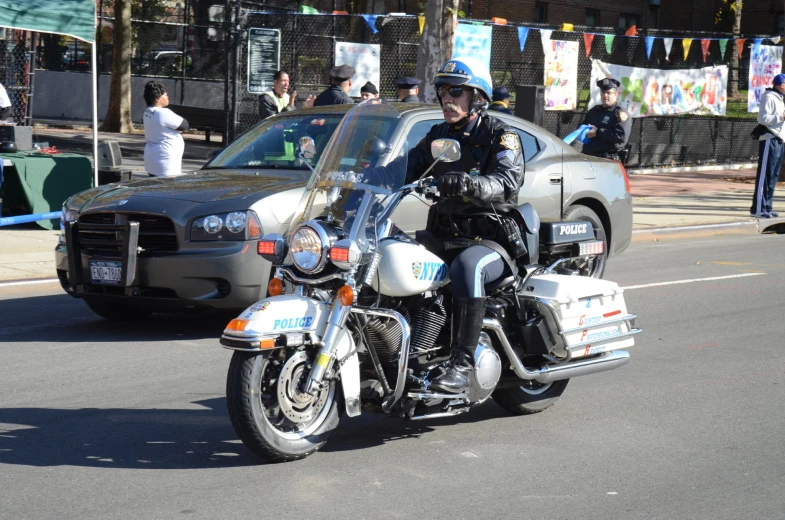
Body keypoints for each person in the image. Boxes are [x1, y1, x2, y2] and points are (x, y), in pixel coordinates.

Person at [367, 58, 524, 394]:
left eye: (457, 91)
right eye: (442, 91)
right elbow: (404, 169)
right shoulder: (438, 135)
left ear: (478, 98)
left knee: (468, 267)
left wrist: (471, 185)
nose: (447, 99)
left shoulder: (501, 135)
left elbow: (507, 181)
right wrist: (365, 177)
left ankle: (463, 366)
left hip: (488, 239)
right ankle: (396, 355)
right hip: (443, 234)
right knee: (385, 257)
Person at [750, 73, 785, 218]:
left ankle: (767, 207)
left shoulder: (780, 99)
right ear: (781, 84)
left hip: (779, 140)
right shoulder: (769, 97)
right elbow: (762, 118)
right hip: (769, 139)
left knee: (772, 176)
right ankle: (758, 209)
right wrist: (781, 117)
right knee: (765, 175)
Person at [143, 81, 188, 177]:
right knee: (166, 189)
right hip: (166, 163)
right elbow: (184, 125)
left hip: (153, 159)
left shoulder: (147, 112)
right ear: (158, 98)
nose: (167, 97)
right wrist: (178, 131)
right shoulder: (163, 113)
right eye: (165, 95)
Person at [581, 78, 632, 161]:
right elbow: (581, 128)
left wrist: (598, 132)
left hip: (608, 160)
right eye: (603, 92)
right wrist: (585, 132)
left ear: (616, 94)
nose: (605, 96)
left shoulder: (620, 113)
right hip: (589, 158)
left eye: (609, 93)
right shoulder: (594, 111)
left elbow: (621, 136)